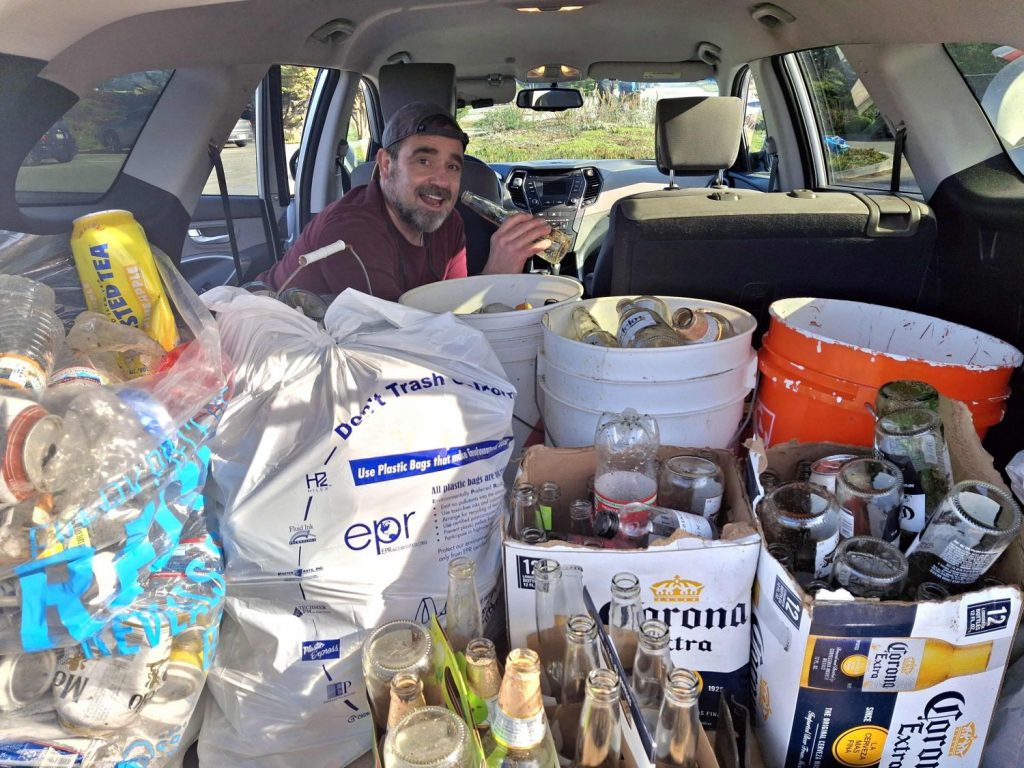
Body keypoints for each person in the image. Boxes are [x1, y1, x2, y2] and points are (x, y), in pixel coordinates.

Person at [259, 101, 553, 300]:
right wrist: (497, 273)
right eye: (424, 161)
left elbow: (455, 309)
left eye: (452, 167)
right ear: (386, 165)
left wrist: (501, 267)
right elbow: (397, 343)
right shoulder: (351, 231)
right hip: (273, 342)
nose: (441, 181)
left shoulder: (448, 222)